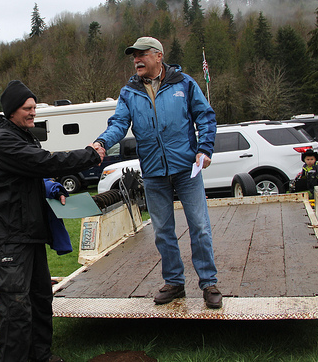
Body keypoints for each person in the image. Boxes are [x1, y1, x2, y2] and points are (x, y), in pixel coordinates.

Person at [93, 36, 222, 309]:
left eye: (142, 55)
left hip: (187, 170)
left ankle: (209, 283)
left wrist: (205, 148)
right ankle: (174, 283)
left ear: (158, 56)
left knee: (199, 226)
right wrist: (103, 142)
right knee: (163, 230)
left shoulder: (184, 83)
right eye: (134, 56)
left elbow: (205, 117)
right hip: (152, 172)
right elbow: (118, 123)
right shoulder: (129, 92)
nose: (137, 60)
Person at [0, 80, 102, 362]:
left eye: (34, 107)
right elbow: (43, 162)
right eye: (27, 108)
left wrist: (52, 188)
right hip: (11, 237)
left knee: (40, 300)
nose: (33, 113)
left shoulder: (25, 137)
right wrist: (89, 155)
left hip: (31, 233)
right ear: (12, 110)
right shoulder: (3, 140)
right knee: (16, 307)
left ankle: (42, 356)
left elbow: (34, 174)